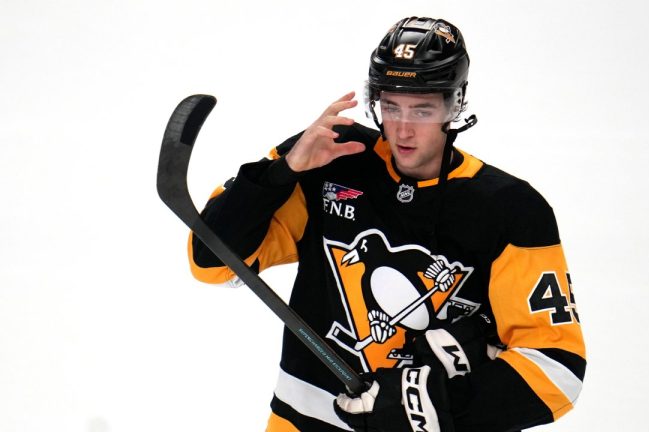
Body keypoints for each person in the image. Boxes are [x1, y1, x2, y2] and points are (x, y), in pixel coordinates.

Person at [188, 16, 586, 432]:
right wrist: (279, 173)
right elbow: (210, 264)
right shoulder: (332, 161)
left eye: (423, 109)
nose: (403, 128)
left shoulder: (511, 208)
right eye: (391, 106)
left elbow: (555, 366)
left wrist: (432, 412)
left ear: (455, 104)